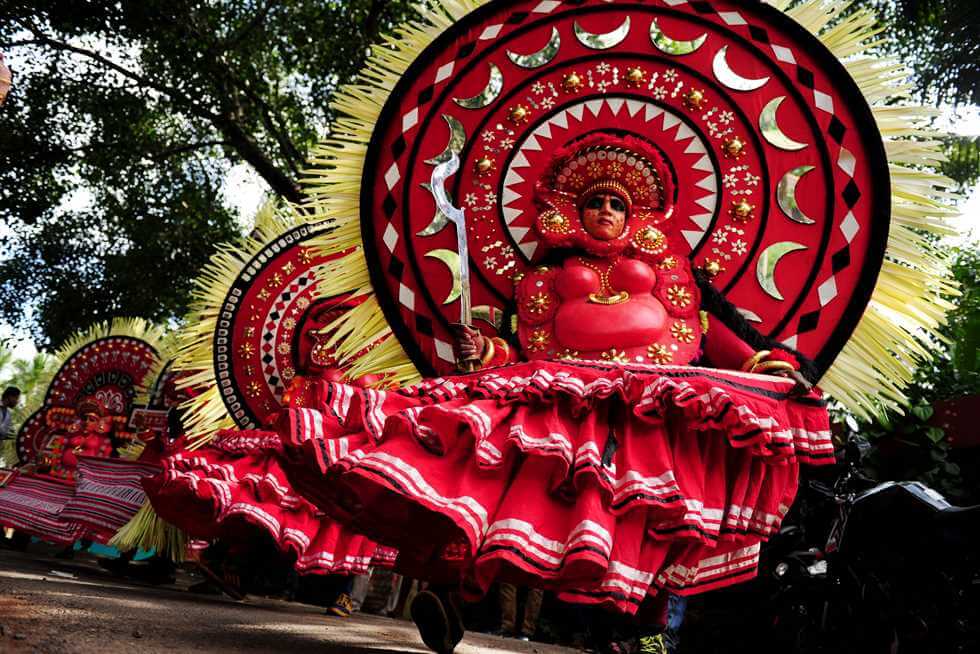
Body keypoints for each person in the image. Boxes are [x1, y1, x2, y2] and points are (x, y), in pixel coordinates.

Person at [272, 134, 832, 653]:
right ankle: (448, 586)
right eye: (594, 203)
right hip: (557, 399)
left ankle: (640, 629)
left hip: (644, 414)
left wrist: (776, 365)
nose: (605, 212)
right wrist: (486, 352)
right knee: (480, 474)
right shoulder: (542, 280)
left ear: (636, 216)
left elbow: (726, 338)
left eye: (616, 204)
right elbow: (518, 346)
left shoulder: (678, 278)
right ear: (574, 212)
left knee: (639, 515)